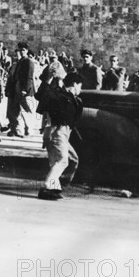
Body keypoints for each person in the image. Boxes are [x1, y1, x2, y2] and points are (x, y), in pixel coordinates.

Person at [37, 72, 84, 201]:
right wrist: (47, 133)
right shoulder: (60, 97)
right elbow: (49, 116)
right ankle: (47, 187)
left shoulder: (69, 98)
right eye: (80, 85)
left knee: (72, 159)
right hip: (57, 131)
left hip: (63, 132)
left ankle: (55, 185)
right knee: (62, 160)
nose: (80, 89)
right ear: (74, 84)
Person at [6, 42, 36, 137]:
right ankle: (16, 129)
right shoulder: (20, 61)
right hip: (17, 88)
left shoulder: (28, 61)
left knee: (25, 110)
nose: (21, 52)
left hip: (24, 89)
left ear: (26, 51)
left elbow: (29, 77)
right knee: (16, 110)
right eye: (20, 50)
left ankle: (28, 130)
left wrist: (25, 90)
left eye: (23, 50)